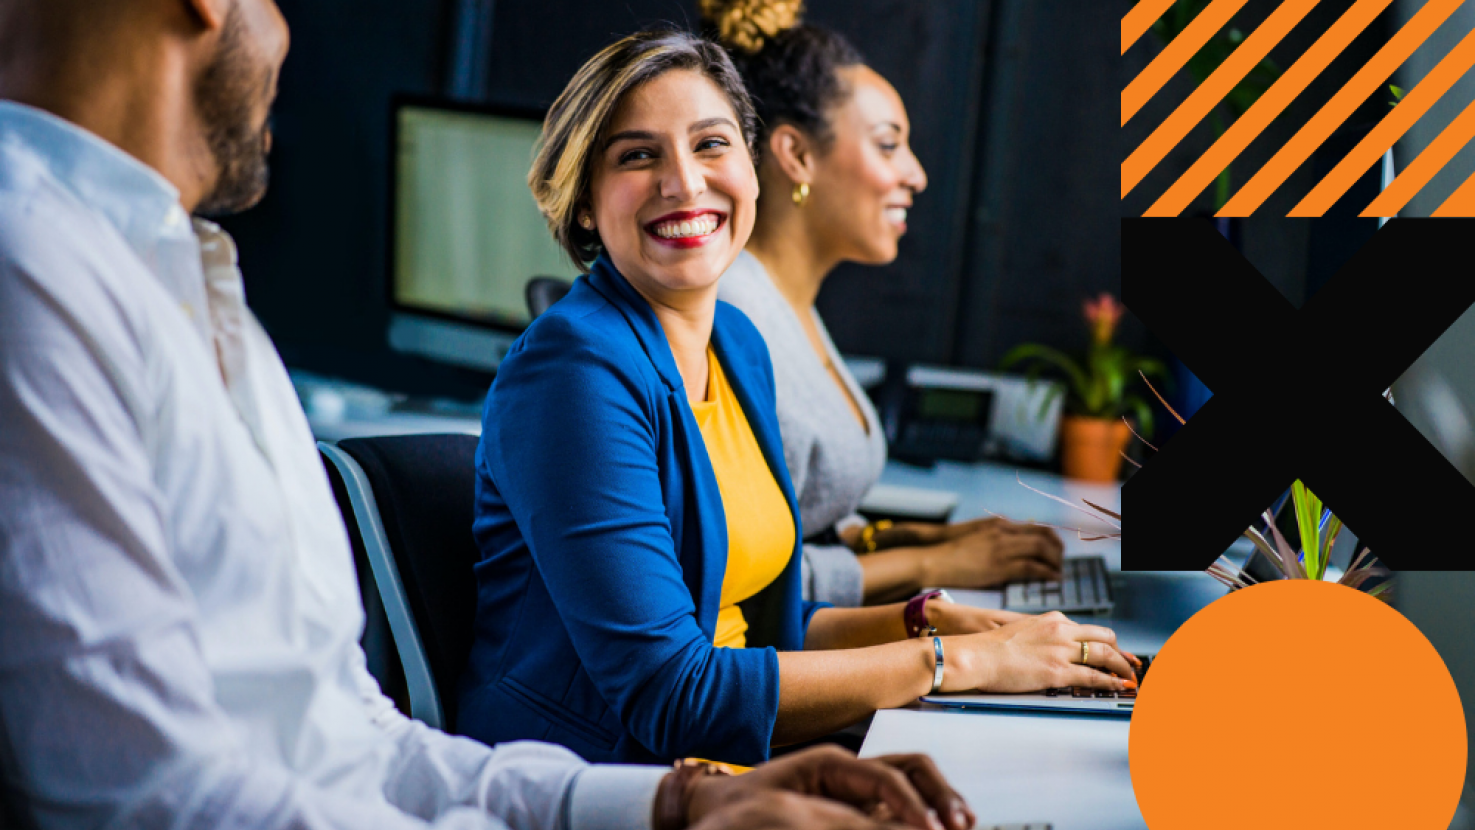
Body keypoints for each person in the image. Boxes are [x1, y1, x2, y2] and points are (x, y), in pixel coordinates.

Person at [0, 1, 977, 828]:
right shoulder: (34, 273)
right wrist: (937, 657)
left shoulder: (192, 286)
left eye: (711, 144)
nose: (288, 28)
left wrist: (670, 806)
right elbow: (153, 793)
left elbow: (349, 734)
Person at [458, 27, 1138, 770]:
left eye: (711, 144)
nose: (684, 182)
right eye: (637, 155)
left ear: (752, 169)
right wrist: (957, 662)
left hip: (736, 764)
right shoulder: (573, 371)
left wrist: (927, 621)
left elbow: (762, 630)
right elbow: (670, 694)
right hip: (601, 781)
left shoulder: (738, 344)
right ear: (585, 203)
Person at [703, 0, 1066, 608]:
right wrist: (929, 562)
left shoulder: (789, 305)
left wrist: (915, 536)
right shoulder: (736, 320)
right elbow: (738, 578)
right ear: (796, 155)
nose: (917, 175)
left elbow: (800, 515)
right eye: (888, 145)